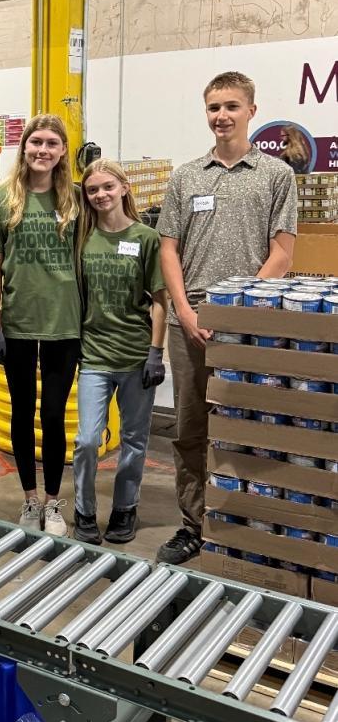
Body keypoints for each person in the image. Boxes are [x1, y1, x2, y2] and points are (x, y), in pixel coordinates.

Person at [157, 70, 297, 565]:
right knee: (191, 428)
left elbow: (283, 252)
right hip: (190, 324)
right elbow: (168, 249)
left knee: (246, 428)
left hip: (249, 326)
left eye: (231, 106)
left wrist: (238, 312)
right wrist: (184, 310)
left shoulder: (276, 175)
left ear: (251, 112)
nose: (222, 116)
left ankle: (243, 525)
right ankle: (195, 525)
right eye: (214, 107)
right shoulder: (187, 176)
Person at [0, 114, 81, 536]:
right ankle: (29, 498)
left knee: (54, 415)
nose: (43, 150)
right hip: (18, 323)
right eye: (36, 142)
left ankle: (54, 502)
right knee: (22, 414)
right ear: (24, 147)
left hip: (65, 324)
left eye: (51, 143)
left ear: (62, 151)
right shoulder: (0, 200)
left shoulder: (76, 199)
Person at [72, 160, 168, 544]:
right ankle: (84, 510)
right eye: (93, 189)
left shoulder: (146, 238)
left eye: (108, 187)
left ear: (124, 187)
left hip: (135, 356)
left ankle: (125, 508)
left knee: (134, 440)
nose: (101, 195)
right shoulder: (83, 239)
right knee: (87, 441)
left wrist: (155, 352)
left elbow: (160, 299)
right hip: (94, 356)